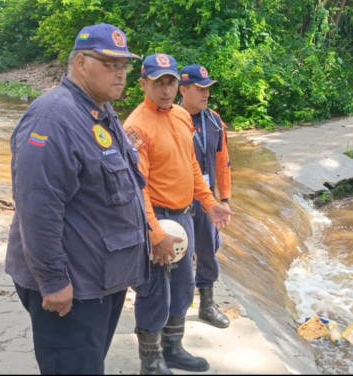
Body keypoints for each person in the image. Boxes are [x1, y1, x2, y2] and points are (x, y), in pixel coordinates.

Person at [5, 24, 149, 375]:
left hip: (99, 280)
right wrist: (53, 280)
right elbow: (38, 208)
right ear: (81, 62)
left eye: (125, 65)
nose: (121, 73)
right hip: (73, 287)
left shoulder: (97, 111)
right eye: (110, 63)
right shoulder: (52, 117)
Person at [124, 54, 234, 375]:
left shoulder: (182, 117)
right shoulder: (136, 127)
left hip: (185, 215)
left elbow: (193, 167)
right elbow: (137, 187)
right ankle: (151, 361)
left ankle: (172, 348)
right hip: (156, 218)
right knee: (155, 290)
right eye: (158, 82)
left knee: (185, 286)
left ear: (178, 85)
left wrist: (210, 203)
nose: (166, 88)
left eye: (171, 81)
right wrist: (154, 231)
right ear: (144, 83)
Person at [178, 64, 232, 329]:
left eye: (208, 88)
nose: (206, 93)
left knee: (208, 251)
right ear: (183, 90)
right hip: (176, 202)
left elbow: (223, 162)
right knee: (179, 256)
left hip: (207, 200)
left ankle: (207, 304)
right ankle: (176, 308)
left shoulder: (214, 121)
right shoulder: (172, 119)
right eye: (200, 88)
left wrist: (226, 199)